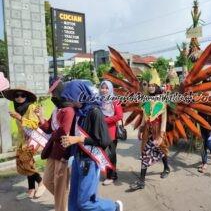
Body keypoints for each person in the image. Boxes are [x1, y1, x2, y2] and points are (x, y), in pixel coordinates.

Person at [60, 80, 123, 211]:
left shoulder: (95, 112)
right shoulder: (79, 112)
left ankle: (114, 207)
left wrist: (78, 139)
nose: (69, 102)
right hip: (78, 159)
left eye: (71, 99)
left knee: (85, 202)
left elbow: (104, 141)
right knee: (73, 199)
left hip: (89, 161)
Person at [35, 80, 75, 211]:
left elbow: (64, 130)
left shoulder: (68, 110)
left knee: (60, 186)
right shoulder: (56, 109)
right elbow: (48, 129)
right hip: (53, 150)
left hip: (63, 151)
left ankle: (61, 206)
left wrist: (52, 136)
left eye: (53, 92)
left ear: (60, 92)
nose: (52, 95)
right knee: (47, 181)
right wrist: (40, 117)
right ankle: (63, 202)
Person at [130, 70, 170, 191]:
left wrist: (161, 136)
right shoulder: (146, 100)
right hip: (148, 130)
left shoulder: (162, 100)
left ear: (157, 86)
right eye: (149, 85)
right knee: (144, 153)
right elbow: (144, 117)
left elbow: (164, 120)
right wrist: (140, 130)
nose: (151, 87)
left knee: (161, 150)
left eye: (153, 85)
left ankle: (167, 168)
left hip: (158, 130)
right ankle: (142, 181)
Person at [3, 88, 46, 199]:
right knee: (24, 163)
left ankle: (41, 181)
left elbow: (34, 124)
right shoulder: (17, 109)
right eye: (16, 96)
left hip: (32, 140)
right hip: (22, 141)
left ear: (27, 97)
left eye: (22, 95)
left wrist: (20, 117)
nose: (19, 98)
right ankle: (31, 189)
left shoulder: (31, 107)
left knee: (26, 163)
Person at [99, 80, 123, 186]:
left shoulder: (114, 100)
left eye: (106, 88)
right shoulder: (100, 100)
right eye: (102, 87)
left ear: (110, 89)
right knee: (104, 153)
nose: (104, 90)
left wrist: (105, 120)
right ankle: (110, 173)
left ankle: (112, 176)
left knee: (111, 154)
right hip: (101, 131)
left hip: (111, 132)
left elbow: (119, 116)